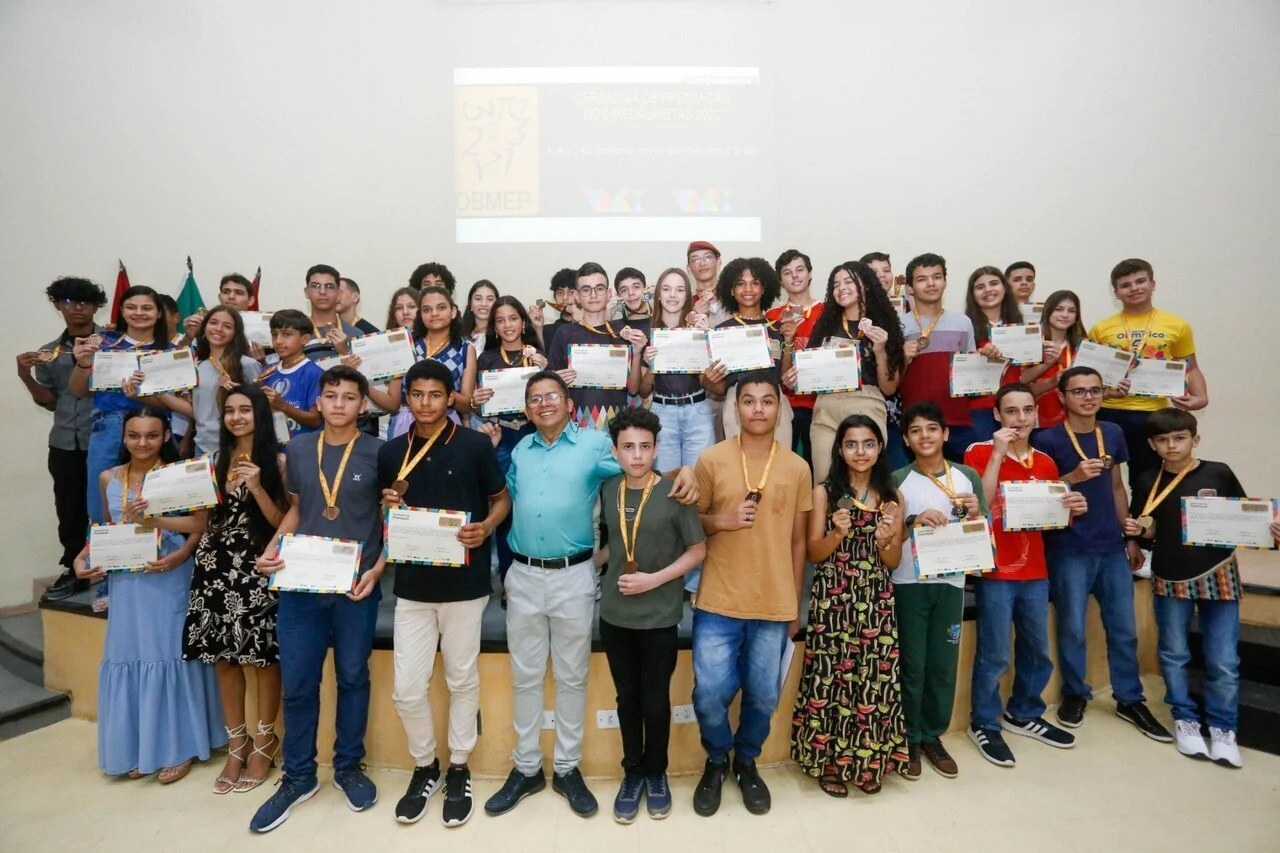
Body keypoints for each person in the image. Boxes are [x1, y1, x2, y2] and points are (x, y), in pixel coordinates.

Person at [483, 374, 697, 820]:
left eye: (552, 397)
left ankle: (566, 768)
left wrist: (688, 470)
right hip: (522, 573)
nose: (544, 404)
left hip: (574, 575)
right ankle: (525, 769)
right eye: (535, 399)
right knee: (524, 676)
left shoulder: (596, 446)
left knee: (572, 676)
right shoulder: (521, 449)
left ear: (568, 402)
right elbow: (506, 500)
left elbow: (642, 471)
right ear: (526, 409)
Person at [249, 365, 386, 833]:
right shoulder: (300, 448)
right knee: (300, 682)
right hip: (302, 583)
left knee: (352, 676)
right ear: (320, 401)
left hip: (355, 586)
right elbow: (298, 510)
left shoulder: (379, 452)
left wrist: (376, 569)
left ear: (363, 405)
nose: (340, 405)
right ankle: (299, 776)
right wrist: (272, 547)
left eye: (350, 397)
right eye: (332, 396)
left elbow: (391, 522)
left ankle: (348, 766)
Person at [379, 360, 511, 827]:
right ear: (406, 397)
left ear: (451, 397)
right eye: (417, 394)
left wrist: (486, 528)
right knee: (407, 690)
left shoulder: (474, 445)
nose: (426, 403)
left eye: (436, 395)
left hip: (465, 584)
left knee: (461, 679)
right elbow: (385, 519)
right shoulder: (391, 451)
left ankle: (458, 766)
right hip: (412, 587)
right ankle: (424, 766)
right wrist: (386, 506)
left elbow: (500, 500)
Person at [73, 407, 224, 781]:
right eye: (135, 435)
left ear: (166, 435)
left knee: (168, 655)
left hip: (169, 573)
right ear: (124, 437)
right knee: (132, 655)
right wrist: (81, 558)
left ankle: (180, 747)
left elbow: (200, 524)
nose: (143, 443)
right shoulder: (109, 476)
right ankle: (144, 746)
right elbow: (104, 527)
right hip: (127, 580)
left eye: (152, 435)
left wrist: (179, 555)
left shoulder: (181, 475)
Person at [690, 370, 810, 817]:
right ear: (734, 408)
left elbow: (799, 542)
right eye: (749, 401)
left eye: (766, 401)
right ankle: (717, 757)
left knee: (763, 695)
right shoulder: (712, 459)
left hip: (774, 602)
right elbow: (695, 523)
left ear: (779, 409)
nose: (758, 409)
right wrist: (722, 520)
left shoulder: (797, 466)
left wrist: (795, 600)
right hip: (719, 599)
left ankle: (746, 760)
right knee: (708, 694)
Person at [1030, 366, 1172, 741]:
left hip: (1111, 546)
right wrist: (1071, 478)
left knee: (1123, 628)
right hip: (1069, 547)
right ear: (1062, 397)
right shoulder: (1046, 439)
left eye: (1094, 390)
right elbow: (1037, 495)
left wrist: (1129, 537)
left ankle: (1129, 698)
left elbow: (1116, 485)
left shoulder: (1112, 432)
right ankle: (1076, 694)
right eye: (1078, 391)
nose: (1088, 397)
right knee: (1073, 628)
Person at [1125, 409, 1261, 768]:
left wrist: (1268, 528)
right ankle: (1184, 720)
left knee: (1224, 659)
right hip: (1170, 573)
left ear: (1194, 439)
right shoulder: (1145, 480)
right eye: (1163, 440)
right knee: (1173, 653)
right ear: (1152, 445)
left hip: (1218, 571)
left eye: (1180, 438)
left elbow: (1245, 516)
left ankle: (1223, 728)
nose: (1172, 445)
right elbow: (1150, 528)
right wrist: (1138, 533)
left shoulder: (1218, 471)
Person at [963, 384, 1085, 768]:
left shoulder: (1046, 462)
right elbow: (980, 504)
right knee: (996, 653)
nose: (1020, 419)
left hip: (1036, 569)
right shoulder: (978, 452)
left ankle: (1024, 712)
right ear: (997, 415)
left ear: (1036, 414)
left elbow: (1048, 520)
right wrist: (999, 453)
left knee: (1037, 649)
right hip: (996, 568)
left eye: (1027, 411)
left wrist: (1070, 507)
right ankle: (983, 721)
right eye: (1011, 411)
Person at [597, 406, 705, 823]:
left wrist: (654, 579)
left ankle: (656, 773)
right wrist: (588, 563)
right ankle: (633, 773)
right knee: (627, 699)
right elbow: (614, 548)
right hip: (615, 614)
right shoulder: (608, 489)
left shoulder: (677, 491)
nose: (637, 455)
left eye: (645, 447)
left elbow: (697, 550)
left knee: (656, 702)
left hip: (659, 614)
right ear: (615, 451)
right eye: (628, 447)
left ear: (657, 449)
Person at [793, 414, 906, 797]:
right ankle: (828, 765)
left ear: (879, 448)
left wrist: (887, 540)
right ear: (839, 450)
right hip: (834, 598)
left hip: (875, 598)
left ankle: (868, 761)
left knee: (872, 681)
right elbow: (813, 554)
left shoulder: (893, 497)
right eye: (852, 444)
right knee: (832, 679)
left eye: (869, 444)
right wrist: (837, 533)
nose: (861, 452)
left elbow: (892, 563)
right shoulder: (824, 493)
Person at [182, 385, 287, 793]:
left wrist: (258, 486)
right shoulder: (209, 463)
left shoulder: (278, 461)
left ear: (260, 416)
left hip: (258, 567)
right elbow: (200, 523)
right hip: (212, 568)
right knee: (222, 657)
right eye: (230, 410)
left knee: (262, 657)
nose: (237, 417)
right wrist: (154, 522)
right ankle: (237, 742)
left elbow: (283, 521)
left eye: (246, 410)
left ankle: (264, 741)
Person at [892, 400, 986, 781]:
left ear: (946, 434)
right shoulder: (898, 479)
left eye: (932, 428)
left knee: (943, 665)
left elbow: (983, 526)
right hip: (909, 582)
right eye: (916, 431)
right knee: (912, 664)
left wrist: (978, 512)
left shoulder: (967, 477)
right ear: (906, 439)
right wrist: (913, 520)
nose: (925, 436)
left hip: (951, 582)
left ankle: (932, 735)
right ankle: (909, 737)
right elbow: (888, 535)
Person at [68, 285, 174, 548]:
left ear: (159, 313)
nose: (139, 313)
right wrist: (83, 363)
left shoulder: (171, 352)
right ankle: (107, 562)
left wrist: (143, 393)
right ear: (122, 311)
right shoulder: (102, 344)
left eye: (147, 307)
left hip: (154, 428)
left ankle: (157, 553)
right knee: (102, 493)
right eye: (132, 307)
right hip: (108, 425)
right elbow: (78, 390)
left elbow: (179, 402)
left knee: (154, 494)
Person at [22, 277, 106, 602]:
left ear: (96, 305)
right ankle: (74, 569)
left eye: (85, 301)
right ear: (58, 305)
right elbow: (49, 401)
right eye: (69, 301)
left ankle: (113, 567)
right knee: (68, 509)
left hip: (104, 439)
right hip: (63, 443)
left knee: (106, 508)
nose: (77, 308)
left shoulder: (112, 344)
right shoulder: (49, 352)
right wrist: (23, 374)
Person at [1090, 258, 1208, 483]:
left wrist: (1200, 397)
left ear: (1153, 284)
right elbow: (1092, 375)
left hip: (1153, 413)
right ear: (1116, 292)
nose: (1134, 288)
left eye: (1140, 281)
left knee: (1146, 478)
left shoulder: (1176, 325)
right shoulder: (1101, 328)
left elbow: (1190, 366)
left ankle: (1143, 519)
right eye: (1126, 285)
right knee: (1101, 476)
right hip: (1108, 411)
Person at [804, 261, 906, 485]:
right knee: (824, 483)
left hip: (866, 403)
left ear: (866, 285)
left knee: (865, 483)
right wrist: (798, 373)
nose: (841, 288)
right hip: (826, 409)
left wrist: (880, 351)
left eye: (849, 281)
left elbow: (889, 388)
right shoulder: (824, 327)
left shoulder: (884, 326)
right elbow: (808, 374)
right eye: (836, 284)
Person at [472, 296, 547, 585]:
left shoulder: (535, 354)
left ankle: (535, 575)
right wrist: (477, 402)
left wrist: (545, 367)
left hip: (533, 434)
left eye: (513, 318)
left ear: (523, 321)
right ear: (493, 325)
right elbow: (480, 406)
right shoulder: (487, 358)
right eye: (500, 320)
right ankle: (507, 578)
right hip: (501, 436)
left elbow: (551, 395)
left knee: (534, 506)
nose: (507, 325)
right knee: (504, 508)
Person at [701, 258, 794, 450]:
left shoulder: (778, 329)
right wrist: (708, 380)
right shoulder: (720, 333)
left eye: (755, 283)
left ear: (764, 288)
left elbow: (785, 379)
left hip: (775, 400)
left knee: (779, 467)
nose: (748, 289)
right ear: (731, 290)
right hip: (736, 403)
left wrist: (790, 342)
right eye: (740, 284)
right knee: (739, 469)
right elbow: (719, 389)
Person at [895, 254, 978, 462]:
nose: (931, 283)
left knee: (959, 485)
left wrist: (988, 360)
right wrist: (903, 358)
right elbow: (890, 381)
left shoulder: (963, 323)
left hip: (957, 420)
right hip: (916, 423)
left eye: (937, 277)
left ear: (945, 282)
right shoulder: (898, 326)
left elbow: (973, 376)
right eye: (922, 279)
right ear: (910, 288)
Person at [548, 262, 650, 432]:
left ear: (609, 294)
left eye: (600, 288)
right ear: (577, 297)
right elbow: (550, 380)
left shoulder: (623, 333)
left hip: (617, 424)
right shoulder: (564, 333)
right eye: (586, 290)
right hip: (575, 424)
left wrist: (637, 353)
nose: (593, 295)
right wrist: (556, 380)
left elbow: (633, 389)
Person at [389, 285, 476, 437]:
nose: (434, 314)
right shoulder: (406, 345)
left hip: (447, 424)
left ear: (453, 311)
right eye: (427, 310)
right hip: (407, 423)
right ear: (420, 315)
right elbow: (393, 401)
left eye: (441, 308)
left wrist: (438, 389)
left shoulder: (465, 349)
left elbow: (467, 405)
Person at [765, 249, 823, 468]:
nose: (795, 276)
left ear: (809, 274)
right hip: (785, 405)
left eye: (800, 270)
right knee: (783, 468)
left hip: (819, 405)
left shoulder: (828, 312)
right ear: (781, 281)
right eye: (787, 272)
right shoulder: (772, 317)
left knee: (816, 467)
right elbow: (772, 362)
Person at [859, 252, 909, 469]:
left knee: (896, 471)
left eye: (886, 270)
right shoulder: (854, 314)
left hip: (895, 408)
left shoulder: (906, 311)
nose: (882, 276)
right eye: (873, 272)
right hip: (863, 405)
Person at [962, 266, 1022, 445]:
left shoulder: (1020, 328)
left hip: (1014, 408)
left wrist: (1046, 362)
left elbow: (1023, 377)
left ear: (1005, 288)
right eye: (980, 287)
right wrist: (979, 358)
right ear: (972, 295)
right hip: (981, 410)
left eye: (994, 283)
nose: (988, 290)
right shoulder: (965, 328)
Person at [191, 306, 263, 456]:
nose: (218, 329)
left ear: (235, 333)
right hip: (202, 446)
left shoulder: (248, 365)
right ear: (204, 327)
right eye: (213, 323)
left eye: (227, 326)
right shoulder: (198, 367)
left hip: (238, 447)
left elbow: (261, 408)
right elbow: (198, 411)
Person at [1021, 290, 1087, 431]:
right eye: (1058, 309)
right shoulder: (1032, 344)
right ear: (1047, 312)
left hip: (1077, 423)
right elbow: (1020, 383)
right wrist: (1051, 376)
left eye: (1071, 311)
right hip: (1038, 423)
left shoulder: (1083, 348)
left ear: (1077, 316)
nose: (1065, 315)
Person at [260, 310, 324, 442]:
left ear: (305, 339)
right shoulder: (267, 371)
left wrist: (283, 405)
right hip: (273, 448)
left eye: (286, 334)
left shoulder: (313, 372)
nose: (278, 341)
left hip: (303, 448)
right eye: (274, 334)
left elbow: (316, 420)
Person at [301, 264, 361, 362]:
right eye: (315, 286)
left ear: (339, 294)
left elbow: (364, 374)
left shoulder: (356, 334)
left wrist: (346, 352)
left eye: (329, 286)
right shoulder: (296, 333)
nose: (322, 292)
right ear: (306, 292)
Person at [532, 267, 579, 354]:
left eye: (571, 292)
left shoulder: (593, 326)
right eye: (560, 293)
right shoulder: (546, 331)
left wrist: (579, 325)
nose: (565, 298)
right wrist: (538, 329)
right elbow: (543, 361)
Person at [461, 279, 499, 353]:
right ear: (470, 304)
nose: (484, 304)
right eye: (478, 299)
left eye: (490, 299)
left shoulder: (503, 334)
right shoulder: (459, 335)